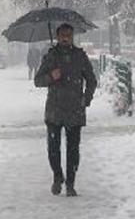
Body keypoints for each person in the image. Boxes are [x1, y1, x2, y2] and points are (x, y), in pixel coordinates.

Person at [34, 23, 97, 197]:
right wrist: (50, 76)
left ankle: (70, 183)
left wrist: (86, 98)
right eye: (62, 35)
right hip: (55, 109)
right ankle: (57, 176)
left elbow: (92, 80)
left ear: (72, 36)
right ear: (57, 36)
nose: (65, 38)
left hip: (75, 110)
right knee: (53, 149)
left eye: (69, 34)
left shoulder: (80, 56)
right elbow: (37, 80)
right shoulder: (51, 56)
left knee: (73, 150)